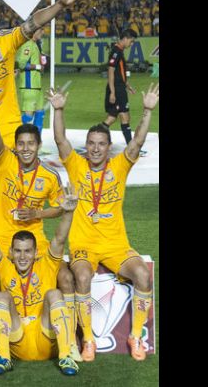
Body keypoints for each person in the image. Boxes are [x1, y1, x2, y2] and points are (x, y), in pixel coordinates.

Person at [49, 83, 159, 362]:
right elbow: (61, 140)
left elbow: (137, 142)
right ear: (85, 146)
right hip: (84, 244)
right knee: (83, 276)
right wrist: (58, 110)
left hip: (116, 245)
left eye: (101, 144)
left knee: (144, 276)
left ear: (109, 148)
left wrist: (146, 111)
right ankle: (88, 339)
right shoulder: (76, 165)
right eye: (91, 144)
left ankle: (135, 336)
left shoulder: (119, 167)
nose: (95, 149)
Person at [0, 90, 80, 363]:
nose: (25, 148)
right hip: (0, 234)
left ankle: (72, 343)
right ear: (15, 146)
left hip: (32, 238)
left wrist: (38, 212)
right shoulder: (5, 160)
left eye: (30, 144)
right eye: (20, 144)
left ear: (38, 145)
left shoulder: (49, 174)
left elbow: (62, 206)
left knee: (66, 278)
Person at [0, 0, 83, 172]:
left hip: (9, 128)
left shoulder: (7, 40)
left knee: (15, 187)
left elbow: (33, 23)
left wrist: (60, 3)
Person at [0, 181, 80, 376]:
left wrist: (69, 213)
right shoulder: (5, 267)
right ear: (11, 252)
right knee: (2, 296)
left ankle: (65, 355)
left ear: (36, 252)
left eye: (28, 251)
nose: (23, 257)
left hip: (46, 339)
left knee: (54, 294)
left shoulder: (46, 264)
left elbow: (59, 239)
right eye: (18, 251)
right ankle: (4, 358)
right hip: (16, 340)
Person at [99, 29, 138, 144]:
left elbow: (119, 73)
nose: (131, 44)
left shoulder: (119, 51)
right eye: (131, 41)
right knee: (125, 116)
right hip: (117, 89)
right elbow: (110, 71)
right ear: (125, 38)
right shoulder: (116, 52)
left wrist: (127, 85)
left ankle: (96, 135)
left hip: (119, 87)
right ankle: (131, 146)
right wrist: (112, 92)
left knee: (112, 117)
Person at [16, 27, 46, 133]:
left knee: (40, 113)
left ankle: (37, 141)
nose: (43, 32)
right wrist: (38, 67)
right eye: (41, 30)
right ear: (35, 31)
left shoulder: (35, 44)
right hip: (29, 86)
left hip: (37, 86)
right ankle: (19, 137)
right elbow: (21, 63)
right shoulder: (28, 44)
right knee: (28, 117)